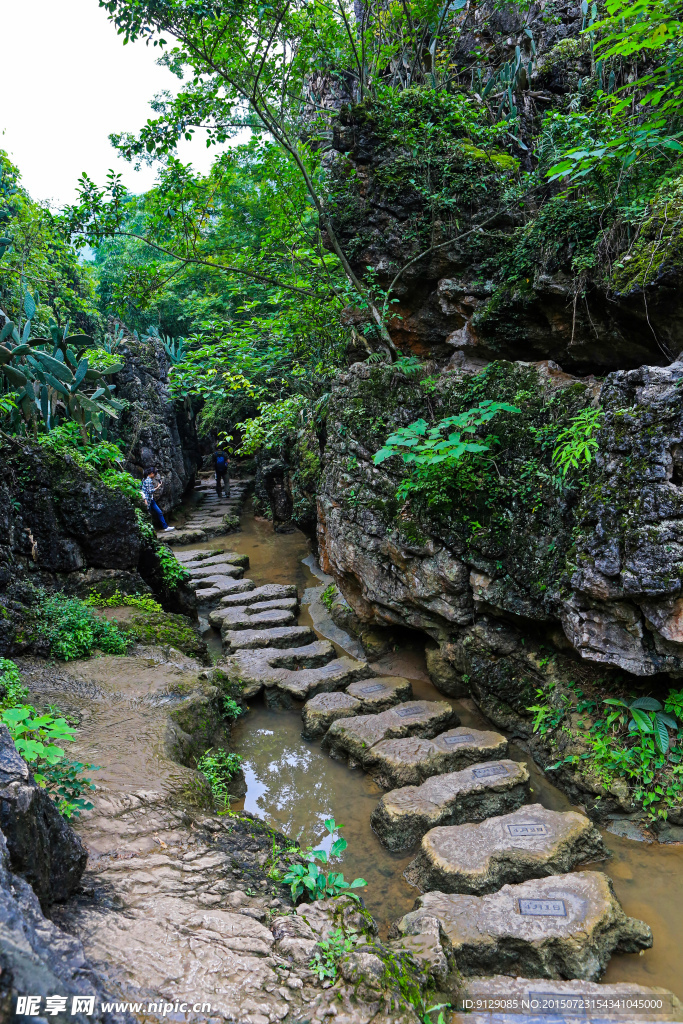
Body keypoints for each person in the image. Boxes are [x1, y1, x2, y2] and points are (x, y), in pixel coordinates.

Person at [141, 467, 175, 532]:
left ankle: (164, 527)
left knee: (158, 512)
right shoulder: (148, 480)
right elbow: (149, 491)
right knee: (152, 514)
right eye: (155, 474)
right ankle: (152, 529)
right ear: (151, 473)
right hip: (148, 500)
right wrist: (158, 487)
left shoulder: (144, 479)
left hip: (150, 500)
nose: (155, 476)